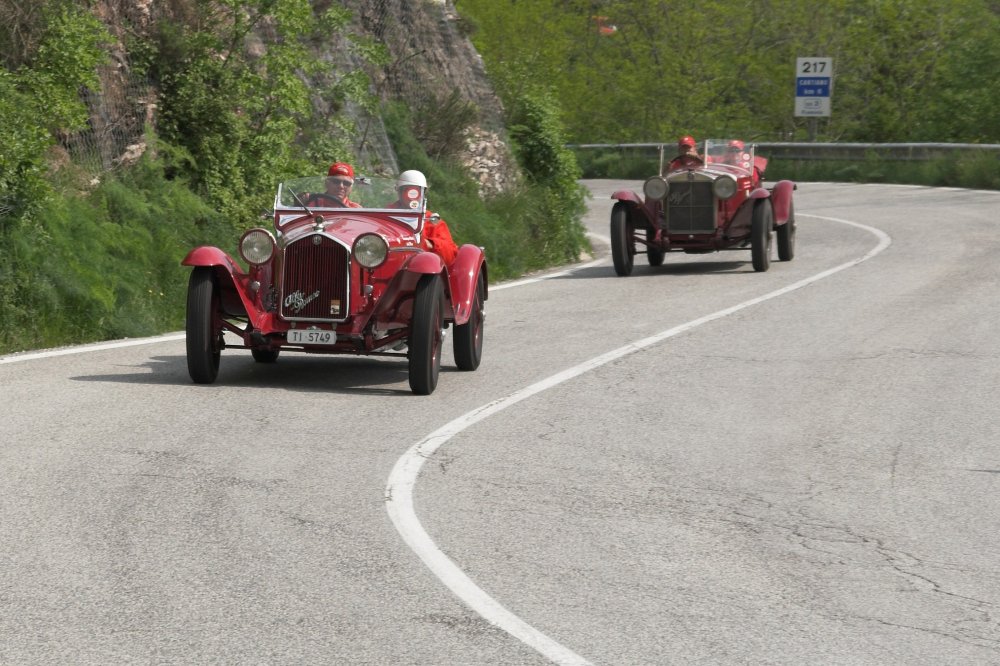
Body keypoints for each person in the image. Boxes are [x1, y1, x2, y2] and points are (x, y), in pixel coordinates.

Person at [390, 169, 458, 265]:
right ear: (399, 192)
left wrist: (430, 243)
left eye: (417, 191)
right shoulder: (385, 214)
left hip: (419, 270)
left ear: (422, 193)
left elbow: (451, 254)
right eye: (407, 190)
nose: (412, 196)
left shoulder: (431, 220)